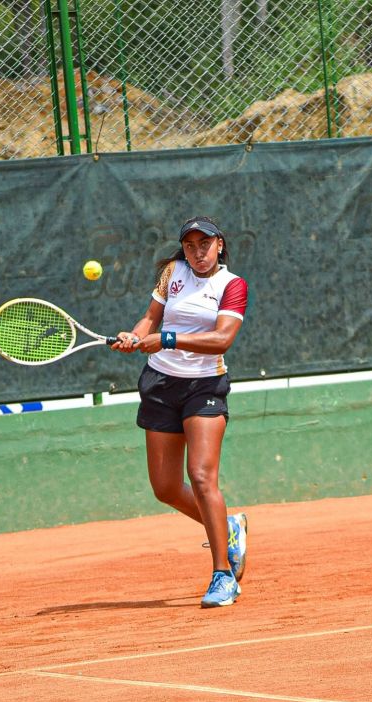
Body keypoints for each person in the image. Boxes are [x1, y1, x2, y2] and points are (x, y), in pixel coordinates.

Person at [113, 216, 248, 608]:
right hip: (160, 385)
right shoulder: (173, 273)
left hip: (204, 386)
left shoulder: (232, 285)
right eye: (190, 245)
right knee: (166, 488)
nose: (197, 252)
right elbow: (151, 318)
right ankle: (229, 527)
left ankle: (223, 574)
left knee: (202, 476)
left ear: (219, 245)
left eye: (204, 244)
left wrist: (167, 340)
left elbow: (222, 339)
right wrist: (135, 336)